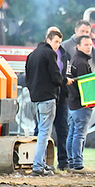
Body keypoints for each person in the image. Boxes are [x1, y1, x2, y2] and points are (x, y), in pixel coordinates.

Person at [24, 29, 72, 176]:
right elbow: (56, 77)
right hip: (47, 98)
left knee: (40, 131)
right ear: (48, 40)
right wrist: (65, 81)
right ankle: (38, 166)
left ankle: (41, 163)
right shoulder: (50, 53)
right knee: (45, 133)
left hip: (35, 98)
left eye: (59, 42)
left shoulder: (32, 55)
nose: (57, 45)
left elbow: (27, 76)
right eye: (56, 41)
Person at [66, 35, 95, 174]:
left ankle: (71, 162)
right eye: (86, 44)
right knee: (79, 134)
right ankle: (78, 165)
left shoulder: (74, 60)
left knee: (72, 133)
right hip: (81, 104)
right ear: (78, 46)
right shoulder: (82, 63)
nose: (89, 47)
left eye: (90, 44)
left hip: (72, 103)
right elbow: (86, 87)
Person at [46, 26, 71, 171]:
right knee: (44, 129)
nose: (57, 44)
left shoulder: (65, 55)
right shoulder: (43, 54)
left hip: (61, 97)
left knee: (63, 129)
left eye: (58, 41)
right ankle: (43, 161)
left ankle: (63, 161)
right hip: (48, 95)